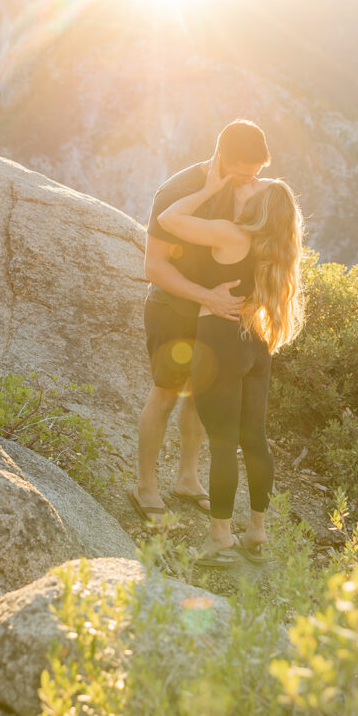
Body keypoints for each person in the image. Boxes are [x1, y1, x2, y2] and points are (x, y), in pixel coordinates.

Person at [156, 154, 304, 564]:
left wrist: (208, 189)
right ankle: (257, 533)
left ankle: (220, 538)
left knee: (222, 444)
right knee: (254, 440)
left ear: (259, 207)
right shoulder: (276, 246)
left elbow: (168, 218)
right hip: (256, 343)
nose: (251, 178)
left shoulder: (229, 233)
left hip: (221, 342)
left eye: (258, 184)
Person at [130, 120, 272, 524]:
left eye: (256, 172)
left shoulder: (246, 190)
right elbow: (154, 267)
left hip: (216, 315)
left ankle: (187, 480)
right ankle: (145, 487)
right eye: (243, 171)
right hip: (174, 309)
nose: (250, 180)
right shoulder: (176, 191)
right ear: (222, 159)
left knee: (199, 395)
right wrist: (206, 296)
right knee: (166, 393)